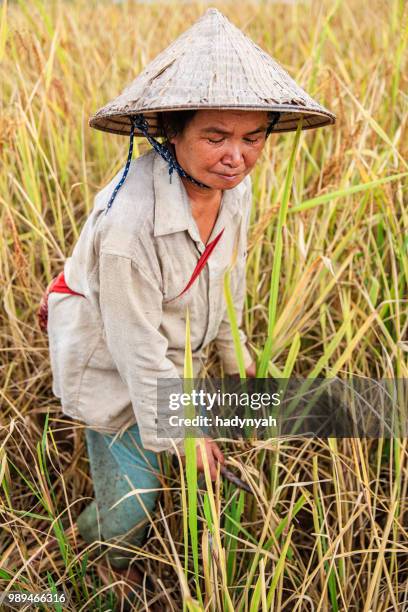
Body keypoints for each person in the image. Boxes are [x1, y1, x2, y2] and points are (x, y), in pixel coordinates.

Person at [40, 6, 335, 594]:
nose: (237, 156)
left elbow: (228, 281)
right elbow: (134, 347)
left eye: (253, 138)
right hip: (116, 364)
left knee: (228, 465)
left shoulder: (235, 193)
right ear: (171, 133)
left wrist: (238, 358)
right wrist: (188, 433)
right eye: (215, 137)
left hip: (172, 357)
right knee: (133, 507)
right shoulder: (128, 226)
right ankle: (86, 559)